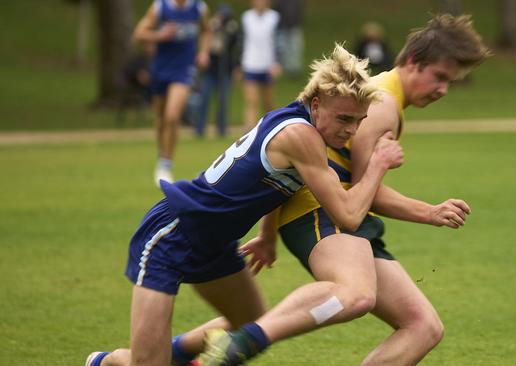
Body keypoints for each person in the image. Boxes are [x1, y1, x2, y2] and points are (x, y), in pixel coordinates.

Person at [192, 13, 491, 366]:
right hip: (323, 212)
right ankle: (244, 342)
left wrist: (268, 234)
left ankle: (161, 354)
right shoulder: (381, 105)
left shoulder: (379, 97)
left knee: (422, 326)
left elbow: (293, 165)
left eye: (451, 82)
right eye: (440, 77)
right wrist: (431, 212)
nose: (443, 89)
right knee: (355, 296)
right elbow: (366, 190)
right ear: (413, 62)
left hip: (338, 212)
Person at [84, 44, 404, 366]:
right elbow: (348, 216)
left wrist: (268, 236)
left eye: (359, 121)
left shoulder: (300, 124)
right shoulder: (301, 136)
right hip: (174, 233)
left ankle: (175, 356)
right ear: (317, 104)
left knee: (252, 322)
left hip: (216, 244)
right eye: (344, 118)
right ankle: (111, 362)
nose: (351, 130)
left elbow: (278, 184)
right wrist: (377, 164)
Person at [133, 0, 212, 187]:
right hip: (160, 70)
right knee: (160, 120)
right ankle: (162, 156)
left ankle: (166, 164)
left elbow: (207, 31)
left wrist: (204, 52)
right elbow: (139, 34)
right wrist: (160, 35)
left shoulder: (199, 8)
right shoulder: (160, 8)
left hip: (183, 71)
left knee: (172, 116)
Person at [193, 3, 241, 138]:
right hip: (210, 69)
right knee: (204, 98)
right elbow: (204, 40)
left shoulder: (232, 28)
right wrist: (214, 27)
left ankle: (221, 129)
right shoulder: (210, 26)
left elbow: (234, 46)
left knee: (223, 100)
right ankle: (199, 129)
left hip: (225, 69)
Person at [240, 0, 282, 131]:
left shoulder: (274, 18)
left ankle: (272, 130)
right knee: (251, 102)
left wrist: (277, 63)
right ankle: (249, 135)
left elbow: (279, 41)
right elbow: (242, 41)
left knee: (268, 103)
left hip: (268, 65)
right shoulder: (246, 17)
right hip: (250, 64)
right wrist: (238, 63)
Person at [273, 0, 304, 77]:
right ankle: (285, 68)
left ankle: (294, 69)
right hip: (282, 27)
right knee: (283, 49)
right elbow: (277, 13)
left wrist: (297, 21)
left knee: (295, 48)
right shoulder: (279, 2)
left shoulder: (296, 2)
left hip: (294, 27)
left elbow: (299, 12)